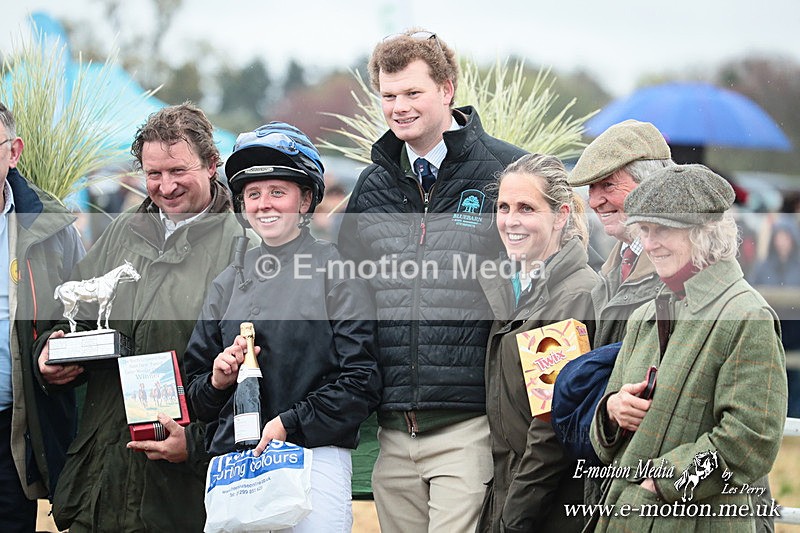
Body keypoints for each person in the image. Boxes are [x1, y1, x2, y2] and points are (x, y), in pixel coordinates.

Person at [337, 28, 526, 532]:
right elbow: (345, 294)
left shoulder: (507, 171)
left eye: (412, 93)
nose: (399, 106)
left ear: (446, 90)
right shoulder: (372, 185)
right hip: (394, 432)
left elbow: (553, 282)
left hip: (470, 427)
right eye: (389, 95)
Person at [36, 102, 252, 531]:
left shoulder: (243, 247)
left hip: (184, 496)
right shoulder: (120, 233)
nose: (165, 186)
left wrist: (195, 444)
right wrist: (49, 357)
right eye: (154, 174)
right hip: (100, 484)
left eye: (178, 171)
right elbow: (68, 313)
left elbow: (256, 373)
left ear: (211, 165)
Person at [185, 122, 381, 532]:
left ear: (306, 199)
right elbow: (196, 396)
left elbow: (362, 382)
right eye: (253, 194)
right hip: (236, 466)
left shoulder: (337, 272)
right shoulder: (225, 285)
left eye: (278, 192)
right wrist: (219, 379)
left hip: (314, 458)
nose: (264, 204)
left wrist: (289, 423)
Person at [590, 164, 787, 533]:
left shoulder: (747, 314)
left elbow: (748, 442)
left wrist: (658, 485)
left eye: (663, 229)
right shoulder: (646, 313)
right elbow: (606, 434)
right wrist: (612, 411)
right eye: (645, 230)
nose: (650, 243)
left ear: (705, 233)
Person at [476, 154, 598, 532]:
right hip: (511, 492)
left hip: (548, 508)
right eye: (504, 207)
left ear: (561, 215)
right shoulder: (517, 288)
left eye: (527, 208)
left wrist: (513, 519)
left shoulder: (572, 297)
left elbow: (550, 429)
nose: (511, 220)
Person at [0, 102, 85, 531]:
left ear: (14, 152)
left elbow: (80, 312)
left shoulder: (50, 228)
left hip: (13, 428)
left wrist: (52, 350)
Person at [568, 119, 674, 348]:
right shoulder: (615, 264)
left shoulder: (677, 272)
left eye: (608, 185)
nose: (594, 202)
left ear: (650, 185)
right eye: (591, 188)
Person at [750, 215, 800, 419]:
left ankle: (795, 416)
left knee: (795, 377)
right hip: (773, 332)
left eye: (786, 237)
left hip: (796, 334)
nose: (782, 242)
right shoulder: (763, 267)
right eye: (779, 237)